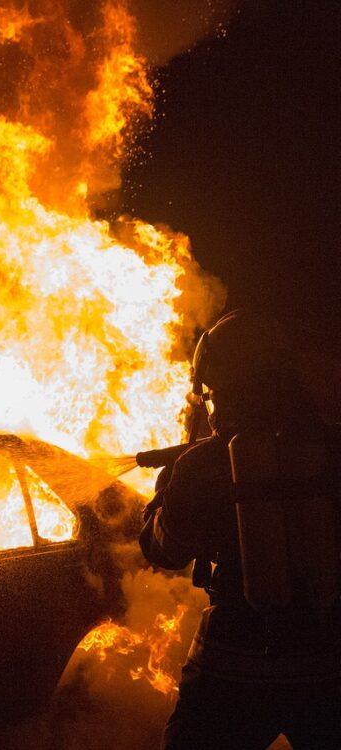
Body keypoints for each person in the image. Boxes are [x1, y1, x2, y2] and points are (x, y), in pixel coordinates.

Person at [140, 309, 341, 749]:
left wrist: (163, 491)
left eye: (210, 393)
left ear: (223, 389)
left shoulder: (201, 465)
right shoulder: (332, 449)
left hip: (231, 668)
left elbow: (165, 551)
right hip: (327, 664)